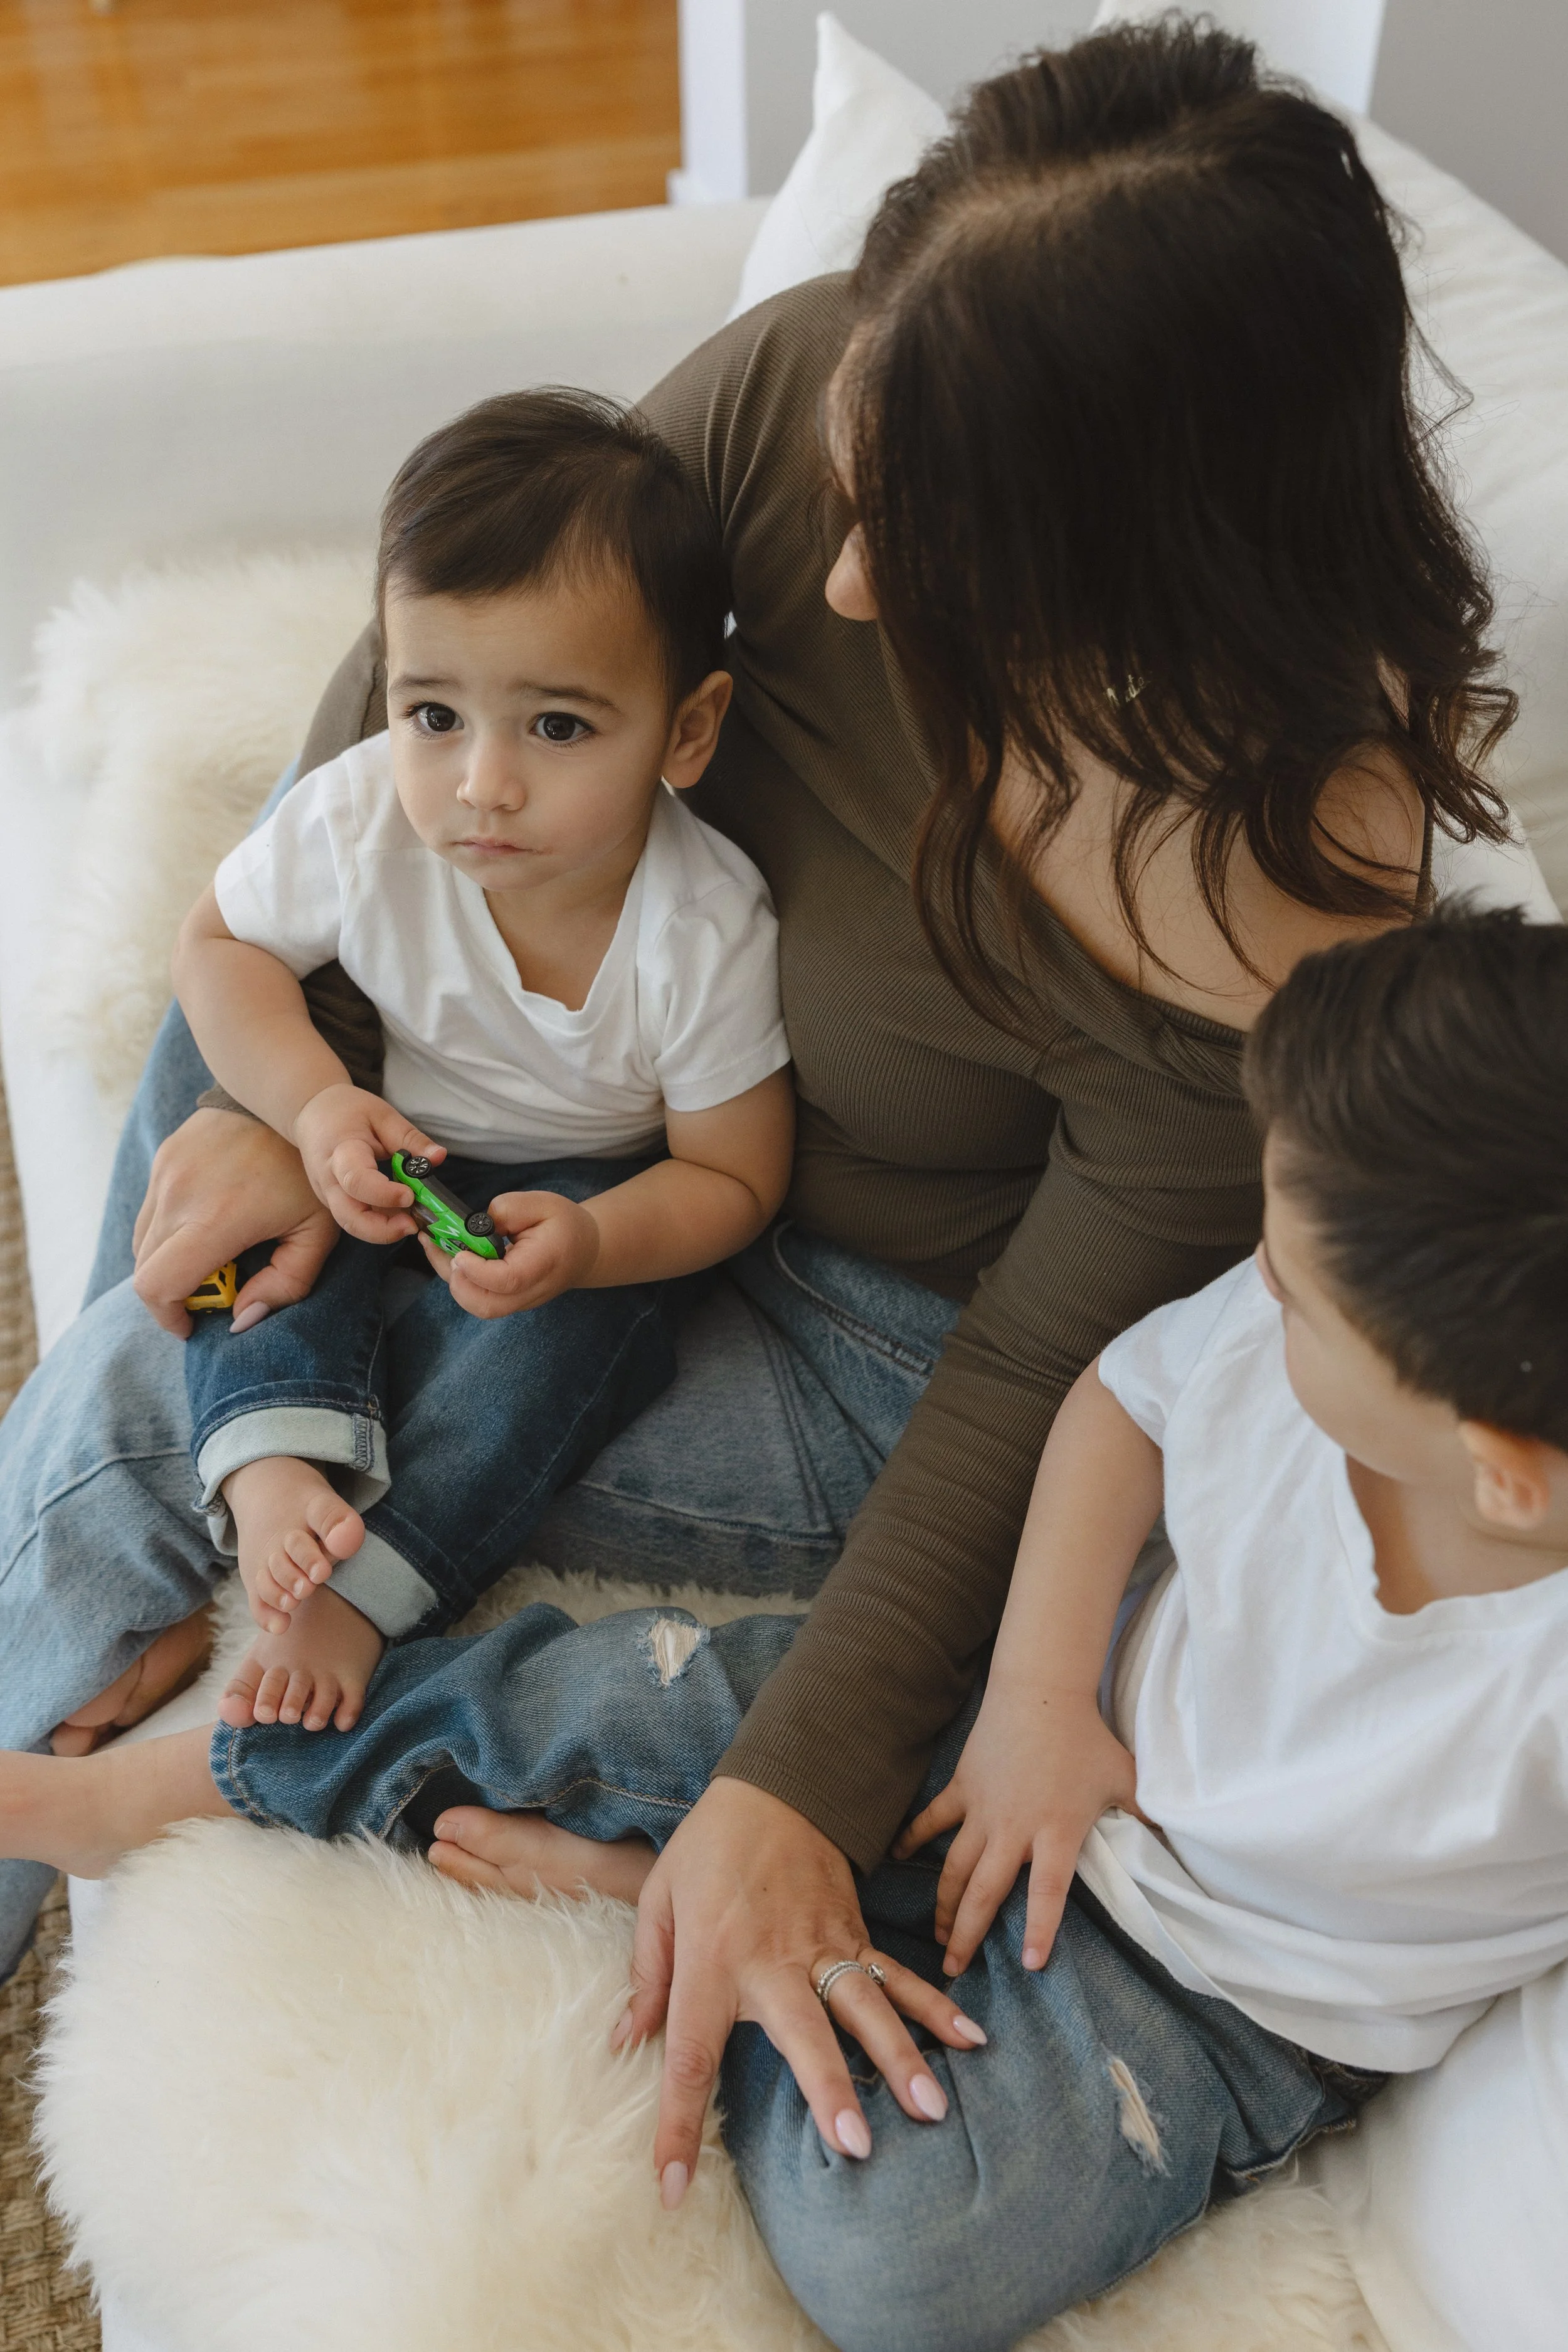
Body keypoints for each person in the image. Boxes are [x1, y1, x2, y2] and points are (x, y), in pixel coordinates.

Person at [0, 16, 1522, 2192]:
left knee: (164, 1416)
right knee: (195, 1269)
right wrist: (285, 1080)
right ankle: (127, 1610)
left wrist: (791, 1792)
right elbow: (446, 691)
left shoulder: (1257, 911)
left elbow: (1030, 1369)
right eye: (854, 468)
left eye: (928, 534)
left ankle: (174, 1711)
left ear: (1127, 557)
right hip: (523, 1055)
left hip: (845, 1316)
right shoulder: (859, 393)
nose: (841, 578)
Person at [8, 908, 1567, 2352]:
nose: (1257, 1290)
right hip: (1041, 1731)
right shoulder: (1306, 1324)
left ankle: (646, 1905)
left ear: (1497, 1468)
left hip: (1210, 2007)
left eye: (1293, 1293)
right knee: (616, 1701)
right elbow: (1118, 1401)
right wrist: (1033, 1695)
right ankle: (162, 1790)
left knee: (902, 2260)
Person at [168, 388, 792, 1732]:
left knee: (580, 1351)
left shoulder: (701, 925)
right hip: (391, 1128)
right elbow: (219, 947)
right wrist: (312, 1105)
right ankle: (274, 1454)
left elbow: (735, 1178)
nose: (480, 784)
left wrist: (594, 1240)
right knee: (265, 1236)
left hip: (587, 1190)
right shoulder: (359, 822)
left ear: (686, 732)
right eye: (433, 713)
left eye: (555, 727)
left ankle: (375, 1581)